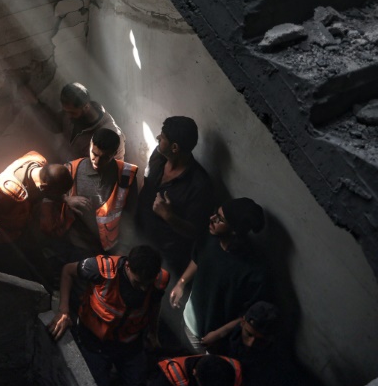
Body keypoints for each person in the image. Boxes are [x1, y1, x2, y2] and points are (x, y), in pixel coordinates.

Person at [48, 245, 169, 386]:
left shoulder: (158, 280)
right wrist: (64, 310)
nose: (143, 288)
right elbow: (68, 271)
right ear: (128, 266)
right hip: (94, 343)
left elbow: (154, 304)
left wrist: (153, 334)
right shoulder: (101, 268)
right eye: (138, 283)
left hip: (130, 345)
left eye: (147, 284)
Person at [170, 198, 269, 353]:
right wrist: (181, 283)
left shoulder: (253, 271)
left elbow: (249, 314)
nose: (212, 219)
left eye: (220, 219)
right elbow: (198, 259)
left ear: (235, 230)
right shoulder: (209, 239)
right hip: (188, 320)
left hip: (211, 339)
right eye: (215, 213)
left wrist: (219, 333)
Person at [0, 152, 73, 283]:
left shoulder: (38, 163)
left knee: (43, 269)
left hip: (20, 229)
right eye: (54, 194)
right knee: (20, 278)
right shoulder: (4, 195)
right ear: (43, 187)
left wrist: (66, 199)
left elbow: (52, 189)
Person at [135, 116, 214, 278]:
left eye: (163, 137)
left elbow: (196, 232)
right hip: (139, 235)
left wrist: (169, 216)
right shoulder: (158, 156)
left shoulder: (200, 185)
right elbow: (146, 182)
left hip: (164, 258)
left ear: (175, 147)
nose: (158, 137)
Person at [55, 128, 139, 256]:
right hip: (76, 244)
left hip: (109, 247)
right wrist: (66, 199)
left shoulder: (126, 175)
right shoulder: (72, 169)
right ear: (90, 145)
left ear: (114, 153)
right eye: (94, 154)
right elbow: (48, 193)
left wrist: (123, 248)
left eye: (105, 157)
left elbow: (130, 215)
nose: (97, 161)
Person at [59, 82, 125, 162]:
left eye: (72, 113)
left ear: (86, 107)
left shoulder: (111, 134)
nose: (68, 116)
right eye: (66, 111)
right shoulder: (73, 115)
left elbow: (115, 167)